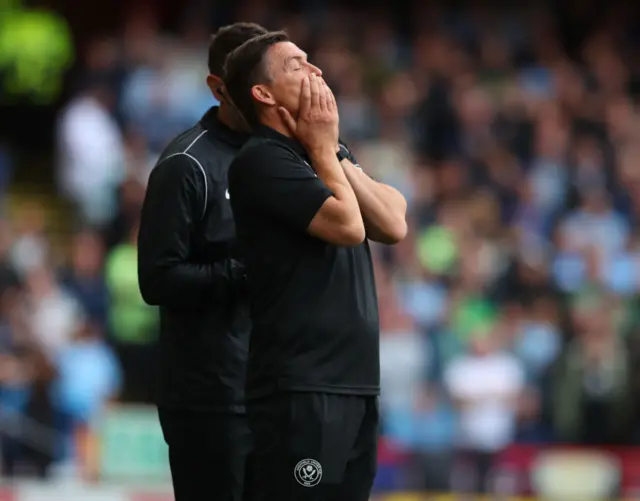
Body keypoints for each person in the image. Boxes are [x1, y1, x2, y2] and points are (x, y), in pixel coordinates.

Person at [223, 31, 408, 501]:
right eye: (295, 65)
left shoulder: (324, 151)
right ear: (262, 94)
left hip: (355, 384)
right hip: (301, 390)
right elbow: (349, 227)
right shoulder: (262, 160)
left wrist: (332, 151)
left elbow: (392, 222)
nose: (316, 71)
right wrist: (326, 150)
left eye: (311, 61)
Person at [136, 22, 268, 501]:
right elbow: (157, 278)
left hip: (274, 392)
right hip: (211, 399)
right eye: (256, 86)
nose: (269, 98)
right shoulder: (185, 164)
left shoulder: (282, 155)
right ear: (218, 88)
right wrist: (243, 273)